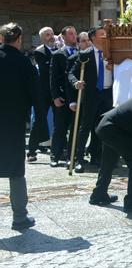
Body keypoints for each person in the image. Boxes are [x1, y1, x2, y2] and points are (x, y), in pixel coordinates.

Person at [0, 23, 39, 230]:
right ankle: (20, 218)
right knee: (16, 171)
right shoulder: (24, 63)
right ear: (19, 39)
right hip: (13, 125)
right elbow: (35, 93)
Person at [67, 28, 114, 173]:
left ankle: (98, 156)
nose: (105, 36)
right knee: (85, 126)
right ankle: (79, 159)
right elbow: (71, 73)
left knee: (103, 126)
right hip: (91, 95)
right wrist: (76, 83)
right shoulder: (84, 55)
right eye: (102, 34)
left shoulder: (112, 53)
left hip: (107, 94)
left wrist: (114, 68)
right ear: (93, 38)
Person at [49, 26, 77, 168]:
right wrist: (55, 96)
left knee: (75, 128)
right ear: (64, 37)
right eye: (71, 34)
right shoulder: (58, 54)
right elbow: (53, 78)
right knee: (60, 127)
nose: (74, 36)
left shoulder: (81, 53)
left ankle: (71, 155)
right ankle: (55, 155)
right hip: (62, 97)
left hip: (76, 98)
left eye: (75, 33)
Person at [28, 26, 56, 163]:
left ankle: (58, 150)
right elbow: (46, 70)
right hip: (44, 92)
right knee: (39, 120)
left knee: (60, 121)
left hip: (56, 91)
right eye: (47, 35)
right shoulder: (39, 52)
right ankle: (31, 151)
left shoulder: (58, 50)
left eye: (52, 34)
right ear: (42, 38)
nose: (51, 37)